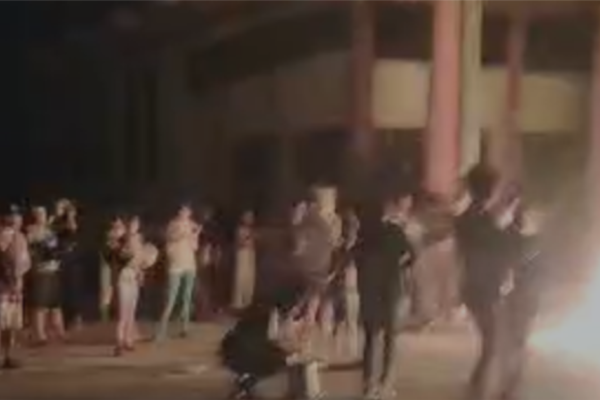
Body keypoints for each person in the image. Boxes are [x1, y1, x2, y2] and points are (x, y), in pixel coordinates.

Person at [454, 165, 526, 400]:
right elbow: (504, 245)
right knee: (496, 341)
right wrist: (512, 222)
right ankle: (482, 389)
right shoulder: (480, 220)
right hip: (484, 287)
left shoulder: (469, 218)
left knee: (494, 342)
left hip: (478, 286)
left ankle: (482, 387)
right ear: (489, 189)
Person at [356, 192, 416, 400]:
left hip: (369, 290)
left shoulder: (364, 234)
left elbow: (356, 259)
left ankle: (368, 385)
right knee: (390, 337)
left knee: (371, 338)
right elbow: (411, 256)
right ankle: (385, 383)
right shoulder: (395, 231)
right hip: (390, 289)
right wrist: (398, 264)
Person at [114, 216, 158, 355]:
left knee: (131, 313)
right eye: (132, 224)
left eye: (136, 224)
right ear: (128, 226)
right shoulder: (122, 241)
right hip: (124, 277)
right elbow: (124, 259)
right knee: (123, 314)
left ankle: (128, 340)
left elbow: (141, 260)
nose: (134, 226)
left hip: (133, 278)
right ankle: (119, 343)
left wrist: (142, 268)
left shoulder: (139, 241)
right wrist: (136, 263)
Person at [156, 204, 200, 341]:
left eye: (187, 211)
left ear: (190, 212)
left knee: (187, 298)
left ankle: (185, 329)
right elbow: (170, 238)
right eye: (183, 210)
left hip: (190, 265)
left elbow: (195, 247)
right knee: (171, 298)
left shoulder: (192, 225)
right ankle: (161, 331)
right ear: (179, 211)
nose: (185, 213)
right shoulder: (173, 224)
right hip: (176, 266)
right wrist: (184, 234)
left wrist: (195, 235)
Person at [26, 206, 65, 344]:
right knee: (40, 304)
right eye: (39, 214)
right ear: (34, 216)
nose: (42, 216)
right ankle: (40, 335)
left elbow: (55, 248)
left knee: (55, 304)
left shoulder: (50, 230)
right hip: (40, 271)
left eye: (43, 213)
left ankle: (59, 332)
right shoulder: (31, 230)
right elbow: (33, 247)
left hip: (52, 270)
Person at [0, 216, 31, 369]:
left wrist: (19, 279)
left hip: (13, 288)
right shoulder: (6, 237)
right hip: (3, 287)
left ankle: (7, 356)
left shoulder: (20, 238)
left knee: (10, 324)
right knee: (3, 322)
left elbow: (24, 262)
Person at [231, 210, 257, 311]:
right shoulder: (239, 229)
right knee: (240, 279)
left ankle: (247, 302)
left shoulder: (252, 230)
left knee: (249, 279)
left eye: (251, 217)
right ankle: (237, 303)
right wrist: (248, 239)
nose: (250, 219)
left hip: (250, 255)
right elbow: (240, 242)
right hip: (242, 254)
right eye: (248, 217)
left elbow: (253, 243)